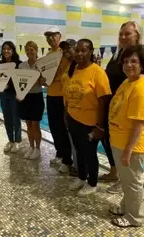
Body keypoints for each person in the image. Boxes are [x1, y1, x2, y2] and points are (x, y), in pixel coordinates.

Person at [101, 21, 144, 194]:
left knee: (125, 148)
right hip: (113, 108)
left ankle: (124, 181)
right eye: (121, 34)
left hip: (128, 111)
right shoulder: (118, 55)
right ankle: (115, 173)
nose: (123, 37)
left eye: (127, 34)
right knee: (110, 141)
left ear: (137, 35)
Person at [108, 45, 144, 228]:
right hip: (121, 140)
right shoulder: (128, 82)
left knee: (133, 182)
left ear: (143, 64)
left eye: (134, 61)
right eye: (125, 61)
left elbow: (139, 123)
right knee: (127, 180)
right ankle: (126, 206)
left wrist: (127, 151)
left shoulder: (141, 87)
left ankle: (135, 217)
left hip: (131, 145)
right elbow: (139, 114)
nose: (128, 65)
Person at [64, 39, 111, 197]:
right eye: (77, 50)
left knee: (89, 153)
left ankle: (92, 183)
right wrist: (67, 115)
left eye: (83, 50)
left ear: (90, 52)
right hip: (73, 119)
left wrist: (99, 126)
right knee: (79, 151)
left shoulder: (97, 72)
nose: (79, 54)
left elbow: (103, 100)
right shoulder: (74, 70)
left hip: (90, 123)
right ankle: (82, 177)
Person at [43, 26, 73, 170]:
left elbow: (71, 72)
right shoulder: (48, 56)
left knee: (63, 129)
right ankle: (60, 153)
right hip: (50, 95)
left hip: (63, 96)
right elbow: (45, 77)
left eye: (53, 36)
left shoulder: (66, 52)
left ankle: (68, 161)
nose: (51, 39)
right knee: (54, 127)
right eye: (48, 37)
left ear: (59, 36)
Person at [17, 41, 45, 160]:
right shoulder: (21, 66)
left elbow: (44, 82)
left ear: (36, 50)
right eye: (27, 50)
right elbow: (19, 83)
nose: (29, 52)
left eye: (31, 49)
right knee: (28, 124)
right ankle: (31, 146)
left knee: (35, 124)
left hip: (36, 96)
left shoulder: (41, 65)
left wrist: (40, 78)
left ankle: (38, 148)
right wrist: (19, 94)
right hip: (25, 97)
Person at [0, 41, 23, 153]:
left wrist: (10, 85)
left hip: (14, 94)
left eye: (8, 49)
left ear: (13, 50)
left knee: (15, 118)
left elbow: (21, 80)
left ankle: (17, 141)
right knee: (7, 118)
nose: (6, 51)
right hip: (4, 95)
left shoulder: (18, 64)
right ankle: (10, 140)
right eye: (4, 49)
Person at [59, 39, 79, 176]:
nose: (66, 51)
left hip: (79, 112)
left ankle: (81, 170)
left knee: (79, 143)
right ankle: (77, 167)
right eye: (64, 49)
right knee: (73, 141)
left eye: (69, 48)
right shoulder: (69, 66)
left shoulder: (81, 66)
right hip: (68, 109)